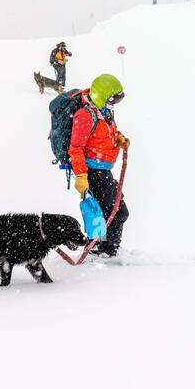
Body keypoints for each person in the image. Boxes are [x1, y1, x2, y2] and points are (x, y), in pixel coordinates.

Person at [69, 73, 130, 256]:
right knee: (117, 213)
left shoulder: (102, 110)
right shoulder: (84, 115)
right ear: (102, 95)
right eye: (112, 99)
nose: (114, 104)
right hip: (92, 172)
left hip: (103, 170)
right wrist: (81, 176)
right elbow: (76, 148)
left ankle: (101, 247)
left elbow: (107, 130)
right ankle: (107, 251)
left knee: (105, 213)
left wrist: (118, 138)